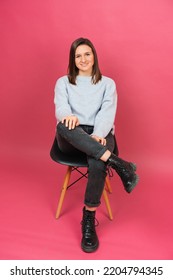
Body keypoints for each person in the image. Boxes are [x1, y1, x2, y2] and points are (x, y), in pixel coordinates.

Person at [54, 37, 139, 253]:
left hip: (100, 133)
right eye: (78, 55)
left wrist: (99, 134)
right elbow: (61, 107)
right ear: (73, 60)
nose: (83, 59)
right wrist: (68, 116)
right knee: (63, 126)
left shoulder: (107, 83)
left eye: (87, 54)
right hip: (72, 135)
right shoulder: (63, 82)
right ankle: (119, 164)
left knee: (97, 161)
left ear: (94, 57)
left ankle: (89, 219)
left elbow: (107, 112)